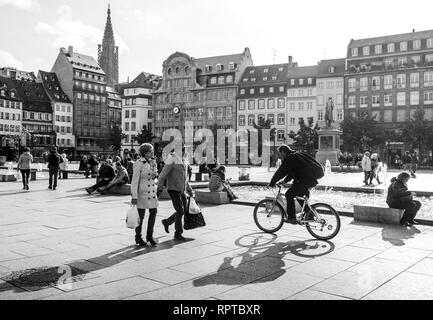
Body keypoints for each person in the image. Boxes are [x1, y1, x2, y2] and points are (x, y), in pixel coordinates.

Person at [268, 145, 324, 224]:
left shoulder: (290, 158)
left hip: (303, 180)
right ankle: (310, 215)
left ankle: (291, 218)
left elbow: (280, 172)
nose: (280, 155)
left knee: (289, 194)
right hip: (310, 180)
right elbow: (292, 173)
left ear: (283, 152)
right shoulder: (297, 155)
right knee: (299, 197)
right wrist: (284, 181)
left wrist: (272, 183)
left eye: (280, 153)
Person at [158, 145, 194, 241]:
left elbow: (184, 177)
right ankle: (178, 233)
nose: (185, 151)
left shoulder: (184, 159)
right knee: (180, 210)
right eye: (183, 149)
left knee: (184, 210)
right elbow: (162, 175)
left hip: (182, 189)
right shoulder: (172, 159)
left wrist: (189, 189)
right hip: (173, 188)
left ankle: (167, 222)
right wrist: (159, 189)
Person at [131, 143, 159, 247]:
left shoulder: (153, 162)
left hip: (152, 192)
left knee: (153, 213)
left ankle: (150, 236)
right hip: (142, 193)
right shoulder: (139, 163)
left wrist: (155, 176)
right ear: (145, 153)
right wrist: (134, 196)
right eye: (151, 151)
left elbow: (155, 177)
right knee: (141, 216)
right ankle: (138, 237)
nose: (153, 152)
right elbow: (134, 181)